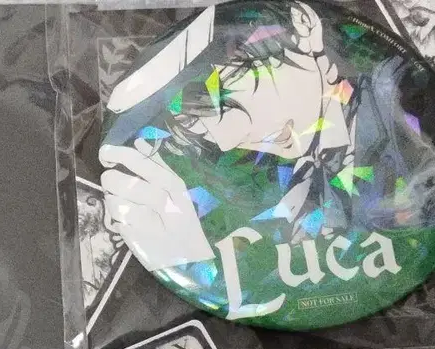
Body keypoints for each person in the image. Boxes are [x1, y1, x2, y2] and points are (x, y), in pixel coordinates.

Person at [100, 1, 435, 273]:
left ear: (303, 26)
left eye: (222, 94)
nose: (228, 140)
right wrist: (190, 259)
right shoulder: (306, 190)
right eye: (200, 126)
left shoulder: (405, 97)